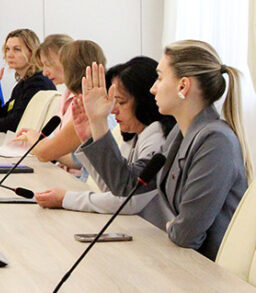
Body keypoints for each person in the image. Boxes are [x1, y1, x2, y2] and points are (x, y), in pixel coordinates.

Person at [78, 40, 251, 260]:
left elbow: (186, 234)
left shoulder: (216, 142)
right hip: (182, 259)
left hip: (206, 270)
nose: (153, 88)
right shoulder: (180, 133)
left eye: (159, 78)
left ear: (183, 86)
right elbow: (126, 184)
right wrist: (98, 121)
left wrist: (172, 226)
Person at [34, 57, 175, 215]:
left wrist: (66, 199)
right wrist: (89, 140)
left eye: (121, 102)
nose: (113, 110)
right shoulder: (134, 135)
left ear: (144, 101)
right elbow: (113, 187)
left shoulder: (157, 136)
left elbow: (128, 201)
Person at [23, 40, 106, 168]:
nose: (44, 72)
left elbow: (45, 153)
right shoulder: (75, 97)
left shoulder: (88, 106)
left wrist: (32, 139)